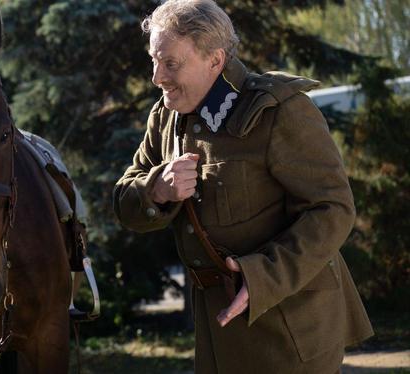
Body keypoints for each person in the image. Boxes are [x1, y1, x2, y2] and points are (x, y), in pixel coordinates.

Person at [113, 0, 373, 372]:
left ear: (215, 60)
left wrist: (264, 276)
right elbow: (125, 202)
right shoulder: (167, 116)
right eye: (154, 60)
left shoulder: (279, 109)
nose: (157, 77)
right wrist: (157, 189)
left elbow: (332, 208)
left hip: (291, 323)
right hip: (218, 329)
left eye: (170, 63)